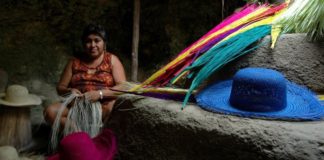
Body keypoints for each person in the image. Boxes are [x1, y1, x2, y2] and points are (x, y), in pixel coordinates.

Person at [44, 23, 126, 126]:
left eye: (97, 40)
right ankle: (77, 133)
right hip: (77, 107)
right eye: (88, 41)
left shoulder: (112, 60)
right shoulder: (74, 62)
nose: (92, 45)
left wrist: (99, 94)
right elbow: (60, 87)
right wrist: (69, 91)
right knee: (50, 112)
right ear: (83, 44)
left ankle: (95, 135)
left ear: (104, 43)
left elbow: (123, 87)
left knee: (114, 109)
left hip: (103, 108)